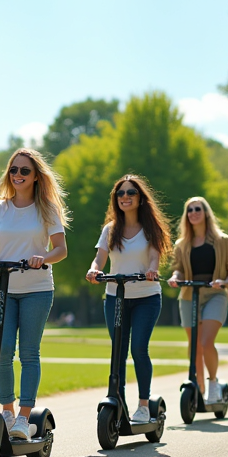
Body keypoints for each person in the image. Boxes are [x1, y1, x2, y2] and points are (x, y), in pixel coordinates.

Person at [0, 147, 69, 440]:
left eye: (25, 171)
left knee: (29, 353)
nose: (18, 175)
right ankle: (7, 413)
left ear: (35, 177)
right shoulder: (0, 208)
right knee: (3, 352)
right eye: (14, 170)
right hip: (2, 288)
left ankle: (24, 417)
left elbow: (61, 249)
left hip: (36, 289)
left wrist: (42, 257)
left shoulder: (46, 209)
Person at [86, 175, 172, 422]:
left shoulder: (150, 229)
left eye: (130, 193)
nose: (125, 197)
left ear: (140, 198)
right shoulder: (110, 230)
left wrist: (152, 271)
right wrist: (94, 270)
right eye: (120, 193)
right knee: (118, 351)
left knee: (138, 348)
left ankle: (144, 404)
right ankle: (117, 401)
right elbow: (100, 258)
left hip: (146, 297)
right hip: (115, 296)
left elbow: (154, 257)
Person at [167, 196, 228, 404]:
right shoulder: (182, 244)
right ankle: (198, 385)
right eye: (189, 210)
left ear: (206, 212)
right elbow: (178, 269)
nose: (193, 213)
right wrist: (175, 278)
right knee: (194, 344)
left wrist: (224, 282)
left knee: (206, 342)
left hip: (215, 294)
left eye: (198, 209)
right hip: (190, 295)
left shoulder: (222, 240)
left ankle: (213, 383)